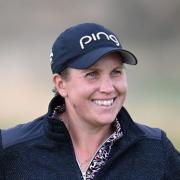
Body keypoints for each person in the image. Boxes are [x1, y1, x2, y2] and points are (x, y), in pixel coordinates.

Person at [0, 23, 179, 180]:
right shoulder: (11, 149)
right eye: (92, 74)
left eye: (116, 72)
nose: (108, 88)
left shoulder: (156, 149)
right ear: (61, 84)